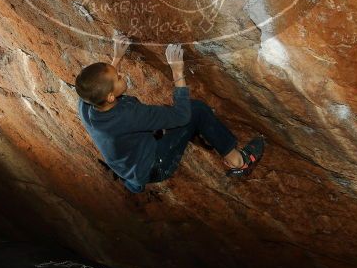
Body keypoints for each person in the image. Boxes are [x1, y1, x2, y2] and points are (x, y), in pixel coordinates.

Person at [75, 30, 265, 193]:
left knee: (166, 121)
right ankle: (239, 162)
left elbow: (97, 86)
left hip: (128, 165)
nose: (121, 75)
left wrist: (117, 58)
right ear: (110, 96)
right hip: (154, 166)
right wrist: (177, 72)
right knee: (196, 110)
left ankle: (141, 171)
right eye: (118, 78)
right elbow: (182, 115)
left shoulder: (87, 104)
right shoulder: (129, 116)